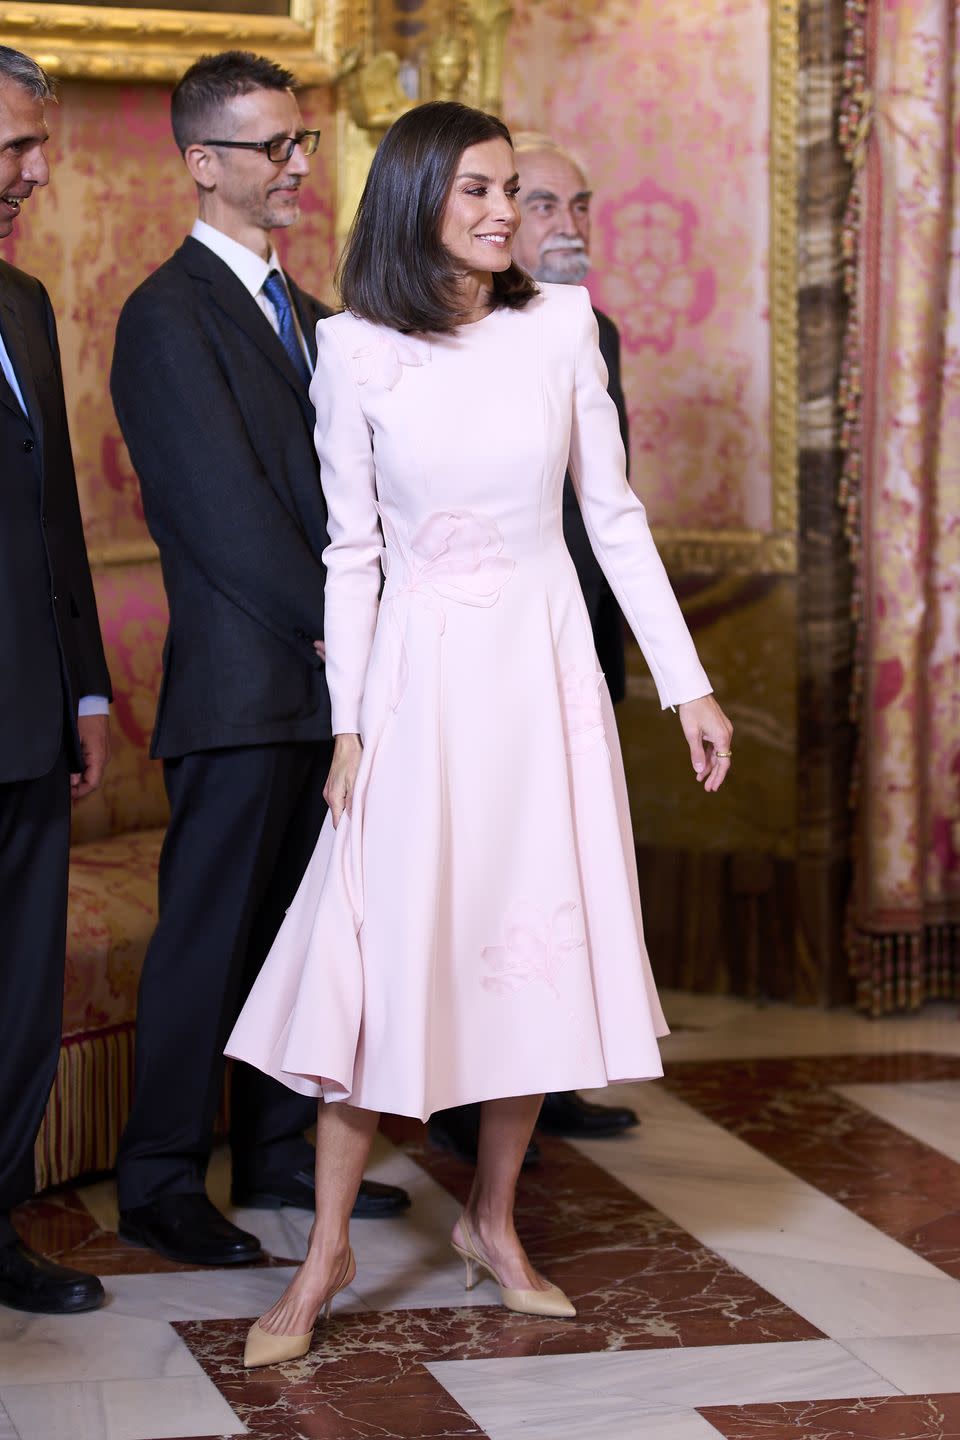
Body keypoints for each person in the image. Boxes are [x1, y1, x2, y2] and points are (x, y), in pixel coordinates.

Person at [226, 100, 733, 1367]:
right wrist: (347, 729)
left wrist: (689, 686)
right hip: (417, 686)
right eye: (478, 192)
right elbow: (352, 552)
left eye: (513, 187)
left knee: (530, 952)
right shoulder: (348, 350)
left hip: (543, 679)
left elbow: (611, 519)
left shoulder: (562, 327)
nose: (507, 211)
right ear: (413, 203)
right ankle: (327, 1249)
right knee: (380, 961)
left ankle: (494, 1225)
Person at [109, 50, 408, 1271]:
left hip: (321, 695)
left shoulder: (321, 319)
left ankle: (281, 1151)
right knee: (209, 936)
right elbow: (225, 521)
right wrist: (357, 631)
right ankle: (161, 1179)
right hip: (241, 692)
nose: (299, 167)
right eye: (273, 147)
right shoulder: (164, 314)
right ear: (202, 162)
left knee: (309, 933)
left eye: (301, 144)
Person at [428, 130, 638, 1161]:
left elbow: (608, 516)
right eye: (538, 202)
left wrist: (612, 658)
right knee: (485, 879)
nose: (562, 226)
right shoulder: (413, 342)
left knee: (551, 889)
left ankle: (543, 1084)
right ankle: (464, 1100)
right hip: (471, 660)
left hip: (573, 646)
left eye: (572, 204)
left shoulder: (582, 330)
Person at [0, 46, 112, 1314]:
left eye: (38, 145)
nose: (37, 170)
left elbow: (56, 517)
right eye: (19, 146)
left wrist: (87, 688)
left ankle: (0, 1223)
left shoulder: (24, 302)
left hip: (33, 720)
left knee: (18, 998)